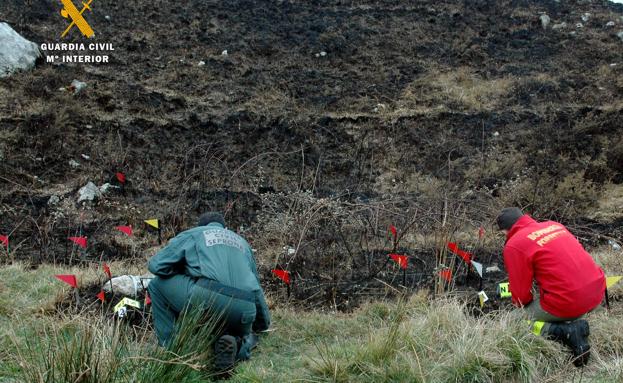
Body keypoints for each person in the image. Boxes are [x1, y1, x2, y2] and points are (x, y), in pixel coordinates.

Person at [147, 212, 271, 373]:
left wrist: (187, 270)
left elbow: (156, 266)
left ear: (201, 227)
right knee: (230, 326)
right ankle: (241, 344)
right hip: (244, 310)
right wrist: (262, 324)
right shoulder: (243, 243)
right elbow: (256, 289)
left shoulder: (195, 234)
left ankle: (171, 350)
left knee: (156, 285)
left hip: (208, 300)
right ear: (225, 228)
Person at [496, 207, 605, 367]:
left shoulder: (514, 244)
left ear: (506, 230)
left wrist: (524, 304)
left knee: (511, 321)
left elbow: (520, 298)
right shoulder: (554, 225)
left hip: (569, 301)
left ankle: (564, 332)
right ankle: (570, 320)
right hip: (597, 292)